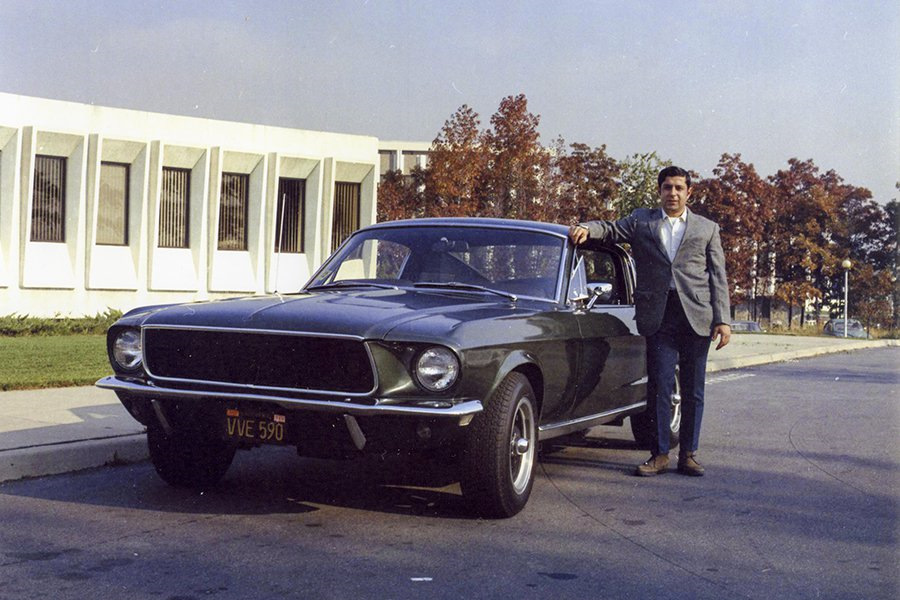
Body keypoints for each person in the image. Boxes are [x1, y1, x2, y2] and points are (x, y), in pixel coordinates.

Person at [569, 166, 731, 477]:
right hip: (658, 315)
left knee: (693, 388)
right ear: (660, 191)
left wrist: (722, 320)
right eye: (668, 187)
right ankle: (659, 455)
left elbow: (718, 278)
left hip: (696, 316)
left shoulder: (707, 228)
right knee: (659, 385)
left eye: (679, 188)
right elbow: (612, 229)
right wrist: (586, 228)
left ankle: (688, 454)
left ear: (689, 192)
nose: (673, 193)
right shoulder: (642, 221)